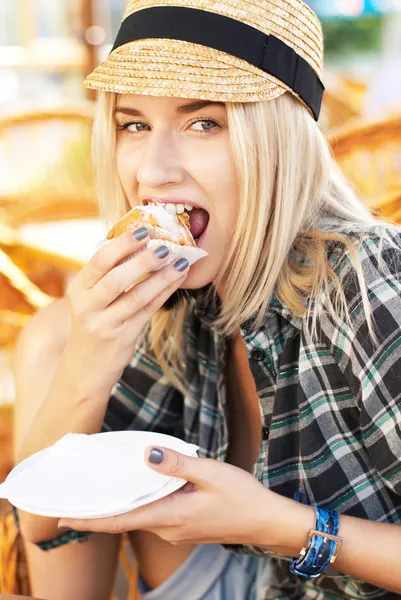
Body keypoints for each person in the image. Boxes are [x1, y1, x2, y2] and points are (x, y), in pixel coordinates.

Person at [12, 0, 401, 599]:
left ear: (276, 141)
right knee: (51, 337)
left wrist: (286, 528)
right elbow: (47, 526)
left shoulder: (369, 277)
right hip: (246, 581)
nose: (153, 172)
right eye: (134, 124)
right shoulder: (184, 302)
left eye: (204, 123)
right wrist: (92, 355)